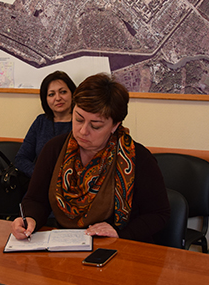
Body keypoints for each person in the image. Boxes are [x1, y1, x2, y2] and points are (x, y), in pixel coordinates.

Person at [11, 73, 169, 243]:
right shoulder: (54, 149)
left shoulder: (138, 158)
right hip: (65, 244)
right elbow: (36, 200)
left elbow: (158, 214)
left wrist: (120, 233)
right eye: (78, 119)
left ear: (115, 125)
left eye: (95, 125)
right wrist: (30, 219)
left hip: (120, 246)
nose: (83, 131)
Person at [13, 71, 77, 177]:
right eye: (51, 94)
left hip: (72, 183)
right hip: (41, 181)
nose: (58, 98)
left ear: (72, 93)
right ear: (45, 99)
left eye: (63, 92)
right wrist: (41, 174)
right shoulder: (41, 122)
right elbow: (21, 159)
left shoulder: (82, 122)